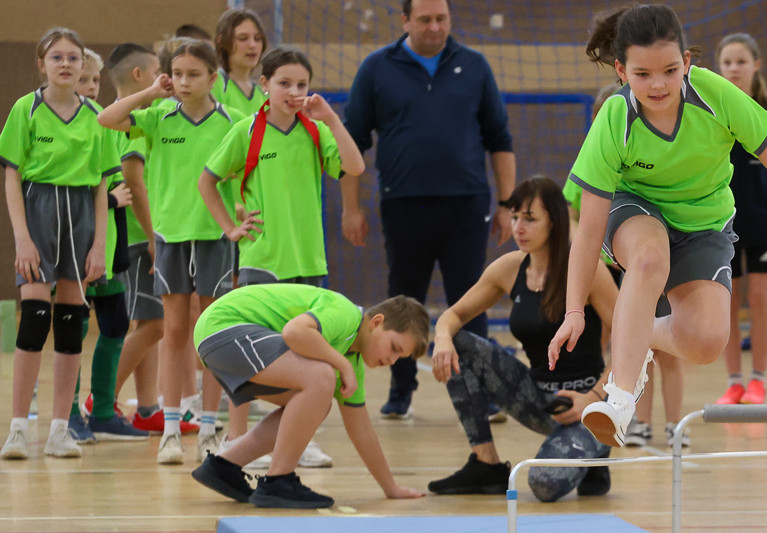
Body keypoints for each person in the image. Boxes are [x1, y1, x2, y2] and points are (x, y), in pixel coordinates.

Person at [549, 4, 767, 447]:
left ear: (687, 61)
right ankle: (620, 399)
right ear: (622, 72)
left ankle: (642, 332)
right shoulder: (614, 118)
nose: (659, 84)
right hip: (634, 211)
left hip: (705, 222)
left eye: (669, 70)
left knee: (705, 343)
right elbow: (587, 230)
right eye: (644, 75)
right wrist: (573, 311)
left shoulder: (716, 95)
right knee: (648, 258)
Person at [342, 0, 516, 420]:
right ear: (405, 21)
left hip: (466, 206)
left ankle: (481, 391)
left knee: (471, 302)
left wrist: (509, 205)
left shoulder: (474, 66)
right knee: (403, 302)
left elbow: (500, 139)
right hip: (403, 207)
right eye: (425, 19)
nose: (435, 27)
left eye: (442, 18)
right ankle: (401, 391)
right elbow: (351, 143)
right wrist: (351, 208)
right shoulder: (376, 68)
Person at [200, 46, 366, 468]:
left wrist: (330, 118)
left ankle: (298, 436)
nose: (294, 91)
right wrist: (230, 228)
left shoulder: (315, 131)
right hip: (262, 261)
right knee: (257, 361)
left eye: (302, 84)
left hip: (309, 262)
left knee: (305, 362)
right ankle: (235, 439)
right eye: (284, 83)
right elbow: (208, 180)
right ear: (264, 85)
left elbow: (355, 166)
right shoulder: (247, 131)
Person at [97, 39, 241, 465]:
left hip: (216, 239)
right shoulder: (158, 117)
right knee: (174, 331)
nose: (183, 81)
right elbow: (107, 118)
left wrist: (241, 222)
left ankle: (210, 430)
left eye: (193, 74)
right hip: (171, 240)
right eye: (176, 73)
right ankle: (173, 431)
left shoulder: (234, 123)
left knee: (213, 333)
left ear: (213, 78)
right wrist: (149, 93)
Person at [430, 176, 617, 501]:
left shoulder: (588, 268)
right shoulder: (508, 268)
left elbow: (636, 341)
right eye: (515, 217)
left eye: (529, 219)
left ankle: (592, 454)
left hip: (589, 405)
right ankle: (486, 464)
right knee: (460, 342)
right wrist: (443, 337)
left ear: (555, 222)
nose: (518, 227)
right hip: (538, 398)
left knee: (544, 485)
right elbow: (452, 316)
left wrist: (597, 395)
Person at [190, 284, 428, 508]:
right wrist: (341, 365)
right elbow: (295, 331)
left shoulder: (351, 359)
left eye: (400, 358)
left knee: (317, 401)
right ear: (376, 322)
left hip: (221, 338)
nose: (391, 360)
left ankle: (224, 466)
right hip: (222, 326)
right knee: (321, 377)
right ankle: (278, 481)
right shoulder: (346, 313)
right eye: (394, 348)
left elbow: (361, 429)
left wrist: (391, 487)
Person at [0, 27, 120, 459]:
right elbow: (12, 175)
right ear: (42, 64)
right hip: (38, 210)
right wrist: (22, 238)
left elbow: (102, 184)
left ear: (83, 65)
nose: (66, 64)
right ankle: (16, 430)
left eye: (73, 57)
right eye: (57, 57)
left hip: (82, 216)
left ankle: (58, 430)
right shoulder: (25, 109)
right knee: (33, 318)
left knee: (71, 324)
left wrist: (98, 245)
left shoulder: (97, 115)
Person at [566, 83, 688, 449]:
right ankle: (638, 421)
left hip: (657, 267)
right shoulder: (594, 161)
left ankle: (677, 425)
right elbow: (572, 216)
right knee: (635, 350)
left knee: (668, 352)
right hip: (616, 273)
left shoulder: (648, 161)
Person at [105, 43, 191, 436]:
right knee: (155, 326)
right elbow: (135, 183)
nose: (169, 79)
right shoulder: (140, 119)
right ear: (140, 76)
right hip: (143, 237)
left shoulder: (129, 117)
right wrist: (156, 236)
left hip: (140, 236)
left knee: (149, 323)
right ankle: (100, 398)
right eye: (161, 70)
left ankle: (147, 407)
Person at [68, 47, 150, 442]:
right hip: (74, 241)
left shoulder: (107, 124)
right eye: (83, 79)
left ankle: (102, 410)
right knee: (72, 326)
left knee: (116, 323)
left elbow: (117, 182)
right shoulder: (59, 123)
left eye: (94, 80)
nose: (89, 86)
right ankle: (67, 413)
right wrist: (106, 197)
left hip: (111, 241)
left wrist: (113, 200)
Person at [714, 33, 767, 406]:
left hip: (762, 221)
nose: (733, 68)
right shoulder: (712, 109)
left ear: (755, 64)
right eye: (726, 62)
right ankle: (734, 381)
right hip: (724, 222)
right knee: (728, 301)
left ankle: (758, 379)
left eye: (740, 61)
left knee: (760, 298)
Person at [212, 8, 268, 116]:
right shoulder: (212, 85)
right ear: (221, 41)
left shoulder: (265, 95)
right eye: (243, 38)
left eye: (257, 38)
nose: (252, 45)